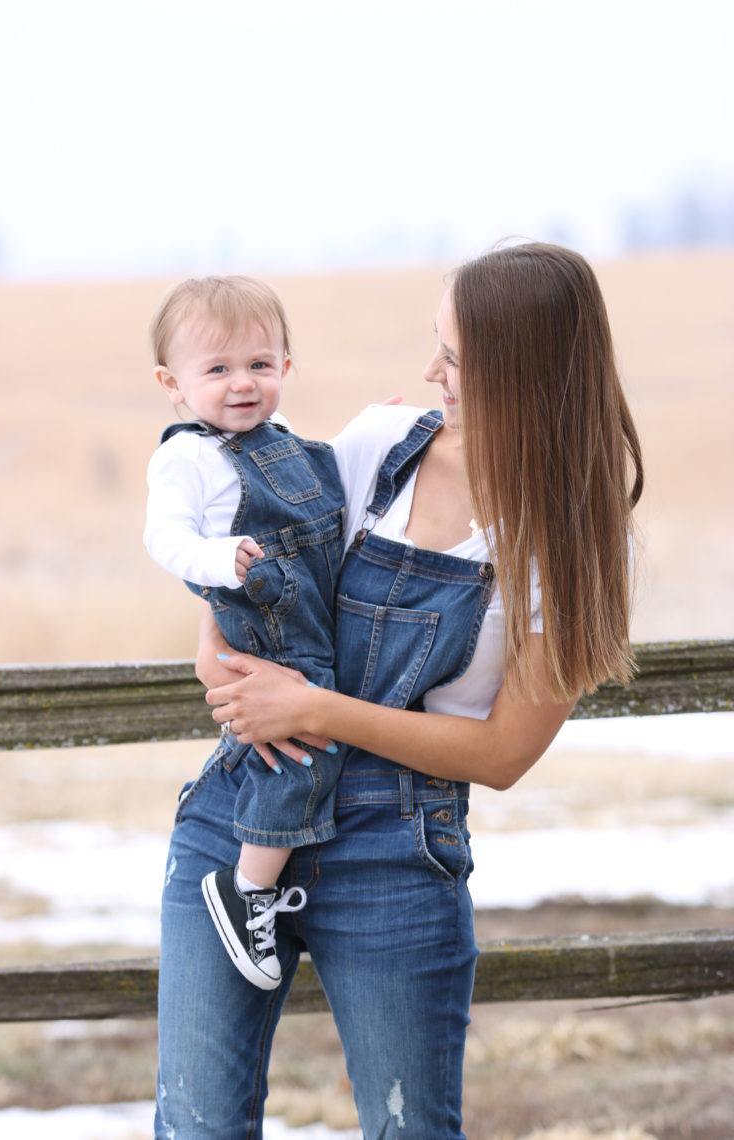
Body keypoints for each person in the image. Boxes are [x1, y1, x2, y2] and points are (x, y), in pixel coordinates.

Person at [154, 242, 643, 1139]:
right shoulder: (380, 444)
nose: (429, 373)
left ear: (524, 368)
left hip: (397, 849)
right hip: (239, 816)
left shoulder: (567, 541)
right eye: (437, 347)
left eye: (455, 358)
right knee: (195, 1129)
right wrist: (221, 644)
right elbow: (268, 568)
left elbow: (502, 755)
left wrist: (313, 708)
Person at [144, 275, 348, 990]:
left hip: (312, 616)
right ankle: (248, 887)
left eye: (260, 365)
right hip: (260, 618)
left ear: (286, 367)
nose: (243, 384)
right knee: (301, 752)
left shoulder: (284, 439)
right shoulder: (187, 457)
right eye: (219, 369)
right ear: (174, 383)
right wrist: (217, 562)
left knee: (307, 741)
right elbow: (163, 537)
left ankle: (260, 879)